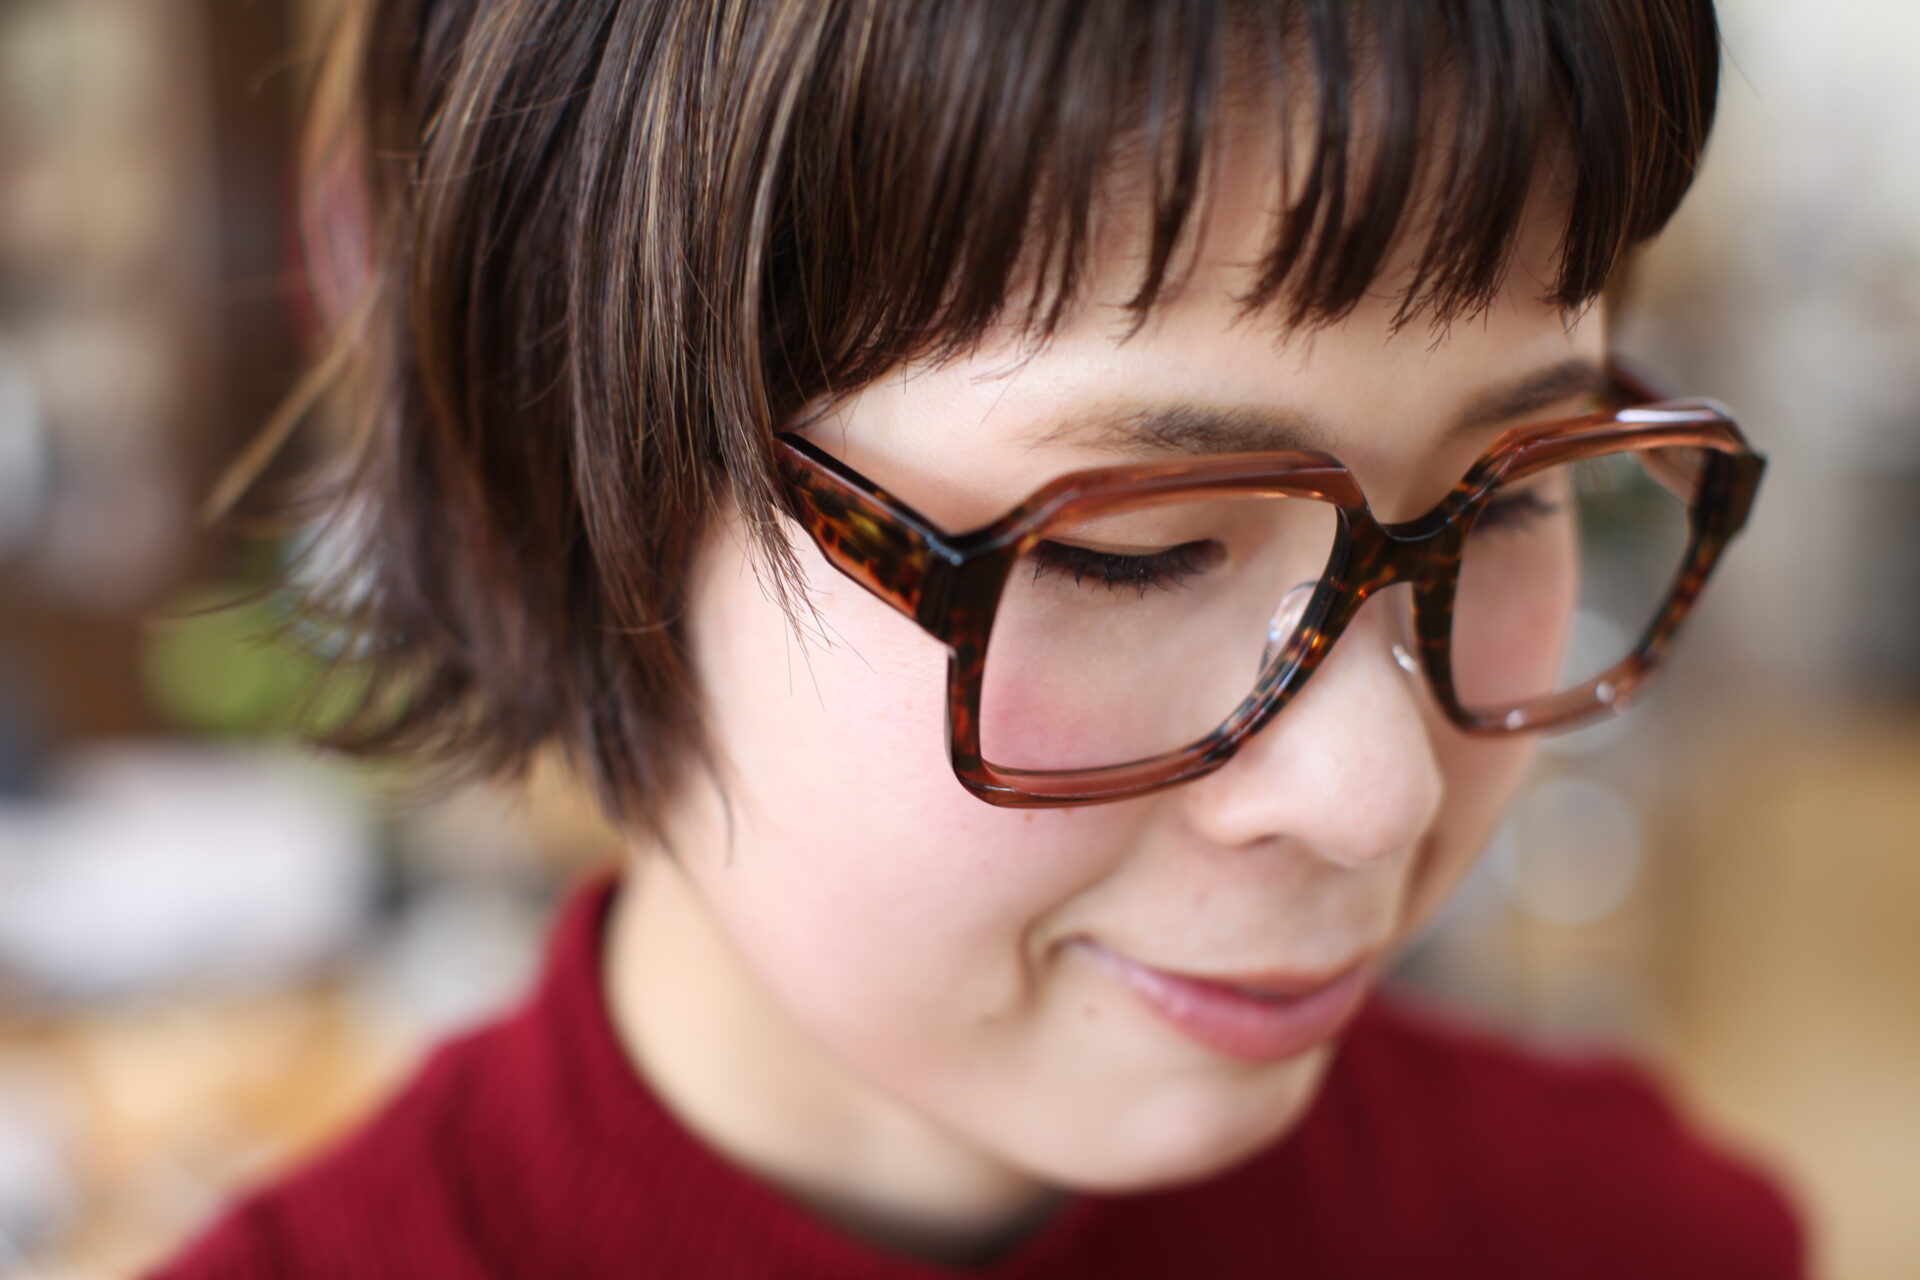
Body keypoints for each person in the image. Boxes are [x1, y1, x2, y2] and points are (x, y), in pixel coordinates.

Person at [152, 0, 1804, 1275]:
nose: (1375, 796)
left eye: (1511, 494)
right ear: (577, 487)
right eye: (1131, 555)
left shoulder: (1631, 1234)